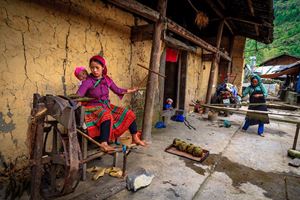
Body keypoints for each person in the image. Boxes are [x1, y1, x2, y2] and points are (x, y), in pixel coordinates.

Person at [76, 55, 146, 152]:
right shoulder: (88, 81)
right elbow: (78, 95)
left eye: (97, 68)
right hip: (92, 108)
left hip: (106, 106)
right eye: (92, 68)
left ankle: (135, 137)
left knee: (129, 113)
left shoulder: (107, 79)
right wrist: (74, 102)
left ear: (103, 67)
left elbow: (117, 90)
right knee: (106, 115)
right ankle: (103, 143)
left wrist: (131, 90)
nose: (94, 70)